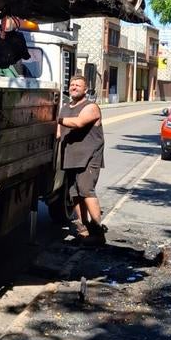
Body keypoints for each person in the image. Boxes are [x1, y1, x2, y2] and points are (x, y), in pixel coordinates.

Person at [57, 74, 106, 240]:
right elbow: (59, 132)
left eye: (78, 85)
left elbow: (78, 123)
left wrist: (55, 118)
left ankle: (97, 231)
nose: (74, 87)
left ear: (85, 89)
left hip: (89, 158)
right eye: (72, 85)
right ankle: (83, 228)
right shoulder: (65, 107)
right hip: (70, 159)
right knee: (75, 194)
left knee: (86, 191)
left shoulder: (91, 107)